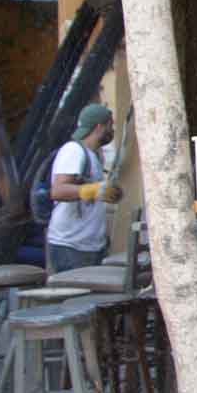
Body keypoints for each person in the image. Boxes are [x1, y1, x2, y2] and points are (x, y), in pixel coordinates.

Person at [47, 103, 120, 273]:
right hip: (71, 247)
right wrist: (94, 190)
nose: (112, 131)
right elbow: (57, 191)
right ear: (100, 127)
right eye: (110, 126)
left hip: (89, 246)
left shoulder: (93, 155)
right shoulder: (74, 150)